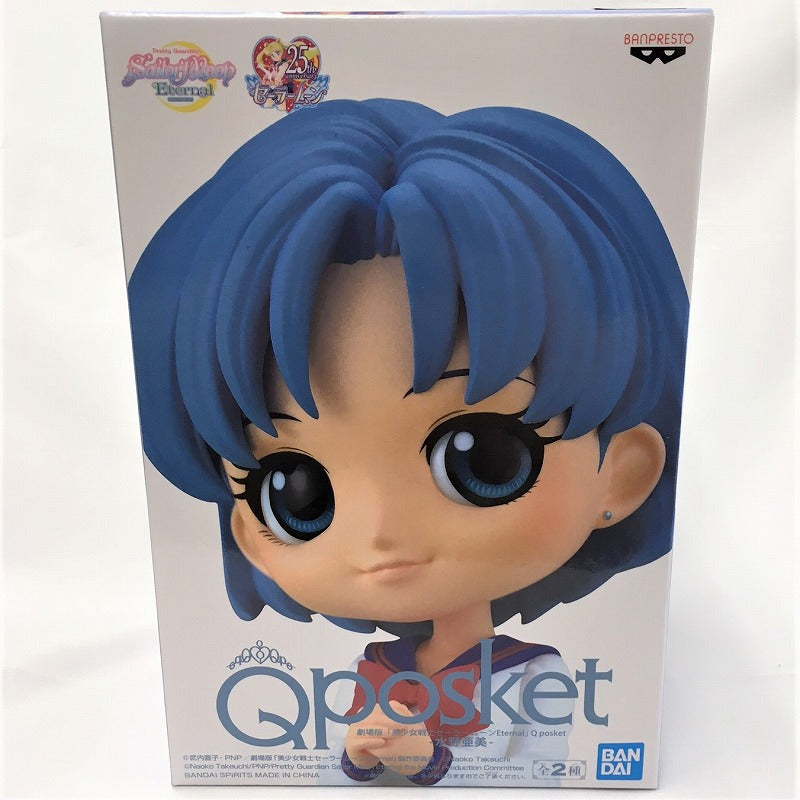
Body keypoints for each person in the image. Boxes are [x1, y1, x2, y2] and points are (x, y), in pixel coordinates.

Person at [128, 98, 688, 785]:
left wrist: (431, 763)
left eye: (481, 459)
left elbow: (540, 774)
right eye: (297, 495)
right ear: (249, 533)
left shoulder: (534, 675)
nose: (381, 533)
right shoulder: (371, 673)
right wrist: (359, 759)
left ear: (624, 472)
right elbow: (329, 773)